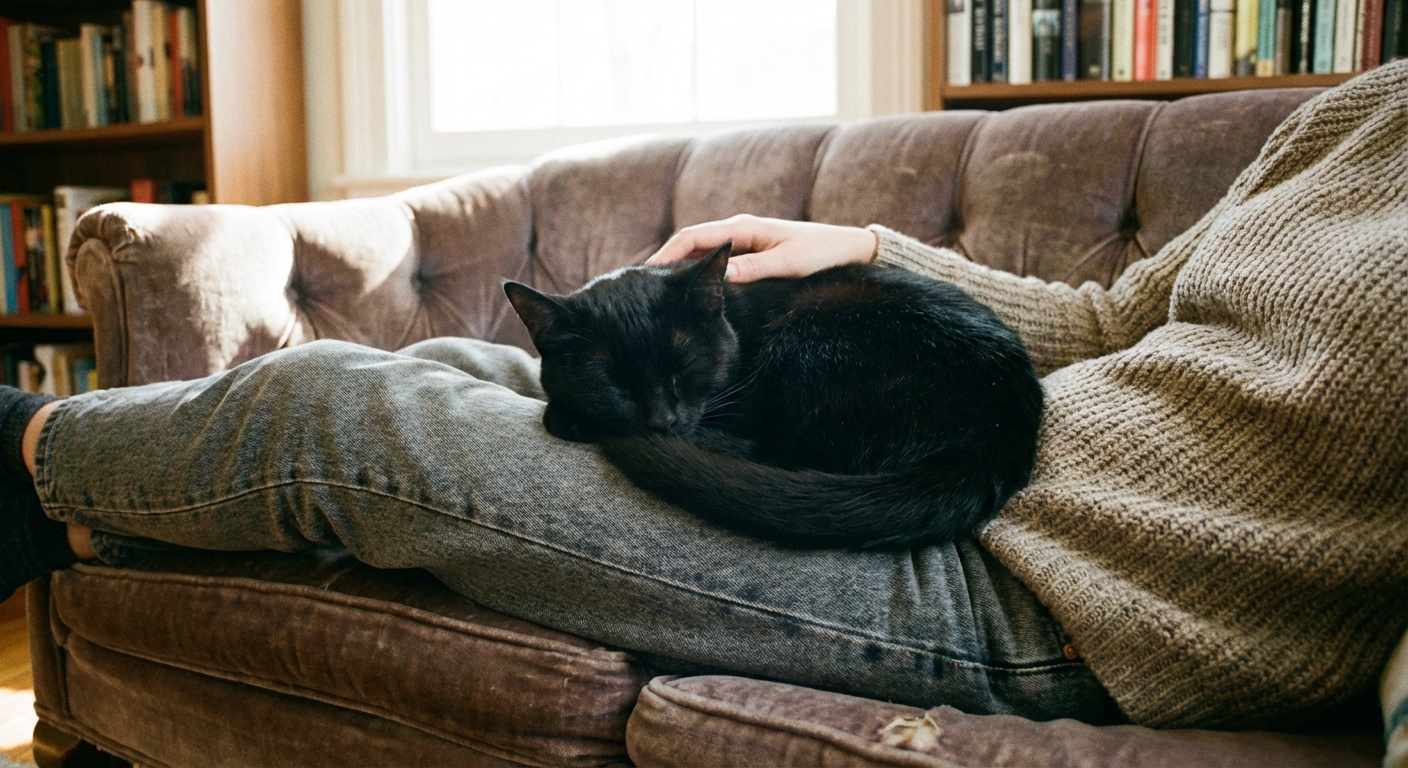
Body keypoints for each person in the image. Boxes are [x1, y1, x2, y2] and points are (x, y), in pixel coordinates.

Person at [1, 61, 1405, 733]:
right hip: (1004, 462)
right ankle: (64, 512)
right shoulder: (1371, 110)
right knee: (449, 365)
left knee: (349, 418)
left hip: (1072, 604)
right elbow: (1117, 317)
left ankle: (23, 456)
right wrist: (868, 248)